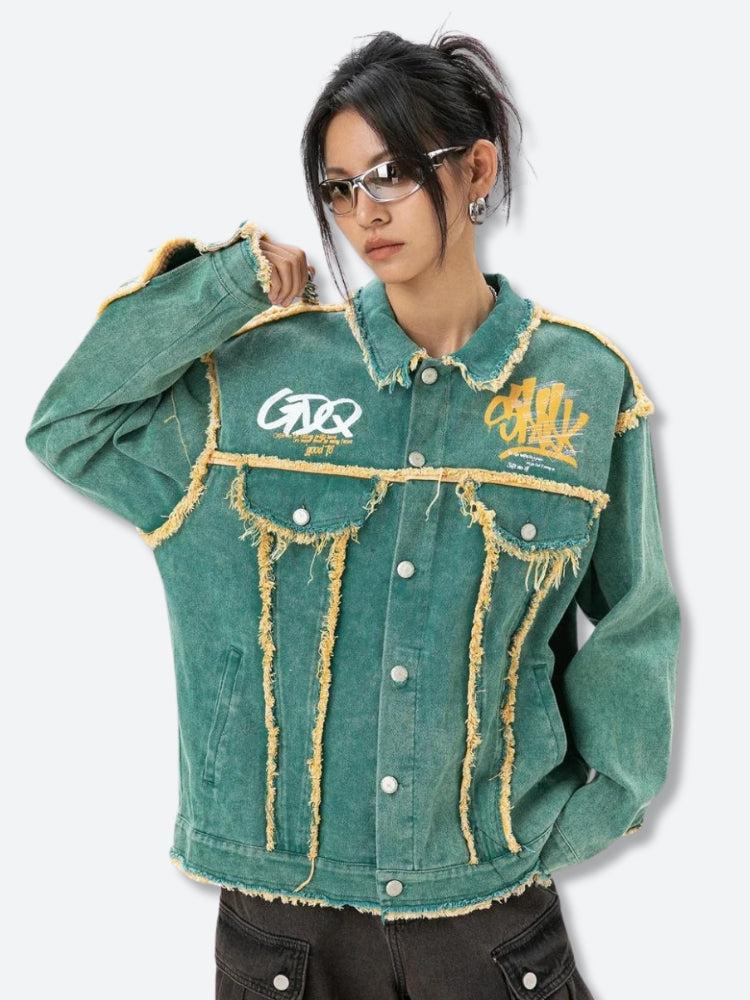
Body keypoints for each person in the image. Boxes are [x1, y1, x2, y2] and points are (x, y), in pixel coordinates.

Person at [25, 27, 680, 1000]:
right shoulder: (259, 376)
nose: (364, 211)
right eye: (339, 187)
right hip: (285, 926)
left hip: (491, 912)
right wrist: (229, 283)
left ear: (477, 170)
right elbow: (71, 426)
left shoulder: (582, 385)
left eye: (392, 174)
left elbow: (635, 618)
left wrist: (586, 813)